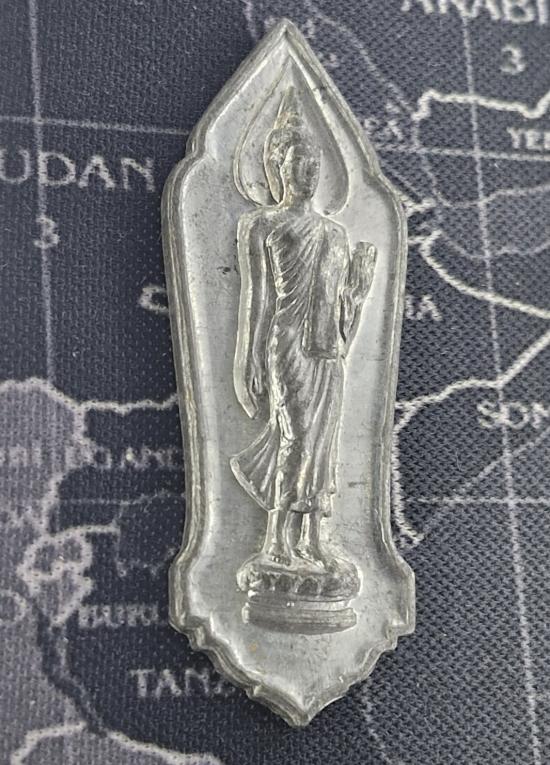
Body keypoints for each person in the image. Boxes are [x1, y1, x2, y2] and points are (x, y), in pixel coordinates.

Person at [231, 86, 374, 571]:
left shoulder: (335, 233)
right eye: (298, 163)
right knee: (295, 435)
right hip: (288, 340)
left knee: (323, 443)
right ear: (278, 168)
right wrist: (249, 359)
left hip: (327, 348)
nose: (308, 172)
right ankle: (276, 537)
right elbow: (257, 298)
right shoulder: (262, 225)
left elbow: (341, 310)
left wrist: (356, 295)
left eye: (314, 164)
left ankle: (313, 538)